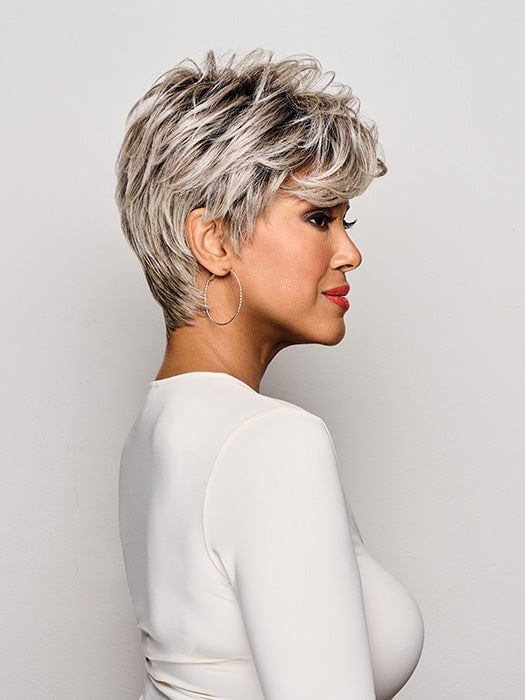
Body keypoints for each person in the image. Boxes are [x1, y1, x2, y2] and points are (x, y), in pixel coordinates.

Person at [115, 48, 425, 700]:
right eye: (319, 218)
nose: (350, 252)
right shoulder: (269, 441)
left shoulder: (156, 430)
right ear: (215, 240)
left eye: (345, 220)